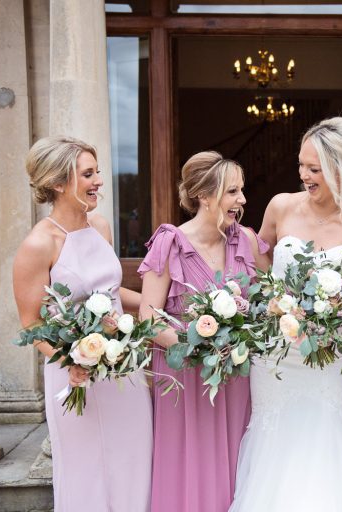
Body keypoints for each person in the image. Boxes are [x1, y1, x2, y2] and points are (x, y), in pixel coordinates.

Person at [229, 117, 342, 511]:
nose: (304, 175)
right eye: (302, 165)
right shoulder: (281, 206)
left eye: (315, 168)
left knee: (324, 439)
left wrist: (324, 323)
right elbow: (256, 268)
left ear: (341, 168)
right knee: (273, 439)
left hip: (325, 355)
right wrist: (272, 306)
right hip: (274, 354)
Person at [13, 136, 152, 512]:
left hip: (124, 369)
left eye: (97, 172)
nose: (98, 182)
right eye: (87, 174)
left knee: (134, 460)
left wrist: (163, 304)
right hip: (75, 375)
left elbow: (111, 291)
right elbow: (31, 324)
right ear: (59, 183)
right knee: (85, 470)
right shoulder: (38, 245)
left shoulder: (101, 225)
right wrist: (74, 360)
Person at [138, 151, 269, 512]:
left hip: (232, 373)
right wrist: (194, 346)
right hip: (183, 373)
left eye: (241, 191)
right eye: (232, 192)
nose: (242, 200)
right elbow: (149, 316)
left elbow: (270, 298)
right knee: (188, 461)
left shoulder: (245, 241)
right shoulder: (170, 242)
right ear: (205, 196)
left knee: (235, 455)